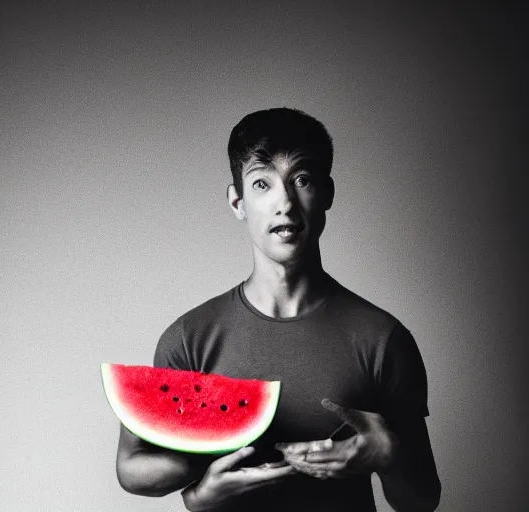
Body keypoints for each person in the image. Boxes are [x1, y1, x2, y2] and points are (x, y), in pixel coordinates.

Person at [115, 108, 441, 511]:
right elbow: (130, 466)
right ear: (238, 202)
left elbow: (423, 500)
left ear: (326, 193)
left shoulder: (383, 340)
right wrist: (200, 496)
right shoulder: (189, 338)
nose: (284, 202)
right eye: (262, 184)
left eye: (301, 180)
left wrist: (388, 455)